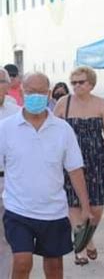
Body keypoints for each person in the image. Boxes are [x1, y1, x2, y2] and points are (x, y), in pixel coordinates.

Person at [0, 72, 91, 278]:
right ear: (22, 91)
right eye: (31, 92)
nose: (36, 96)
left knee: (54, 267)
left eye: (41, 92)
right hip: (18, 209)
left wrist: (85, 207)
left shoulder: (62, 130)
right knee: (22, 261)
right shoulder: (6, 129)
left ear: (49, 93)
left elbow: (75, 169)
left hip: (54, 211)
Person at [54, 66, 104, 265]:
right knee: (73, 203)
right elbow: (53, 130)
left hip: (97, 159)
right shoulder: (63, 104)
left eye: (81, 82)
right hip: (70, 161)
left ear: (91, 84)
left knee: (97, 206)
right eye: (73, 82)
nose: (76, 86)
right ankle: (80, 247)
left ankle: (88, 236)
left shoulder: (101, 104)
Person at [0, 67, 20, 279]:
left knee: (6, 239)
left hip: (9, 181)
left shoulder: (16, 113)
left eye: (0, 82)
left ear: (8, 85)